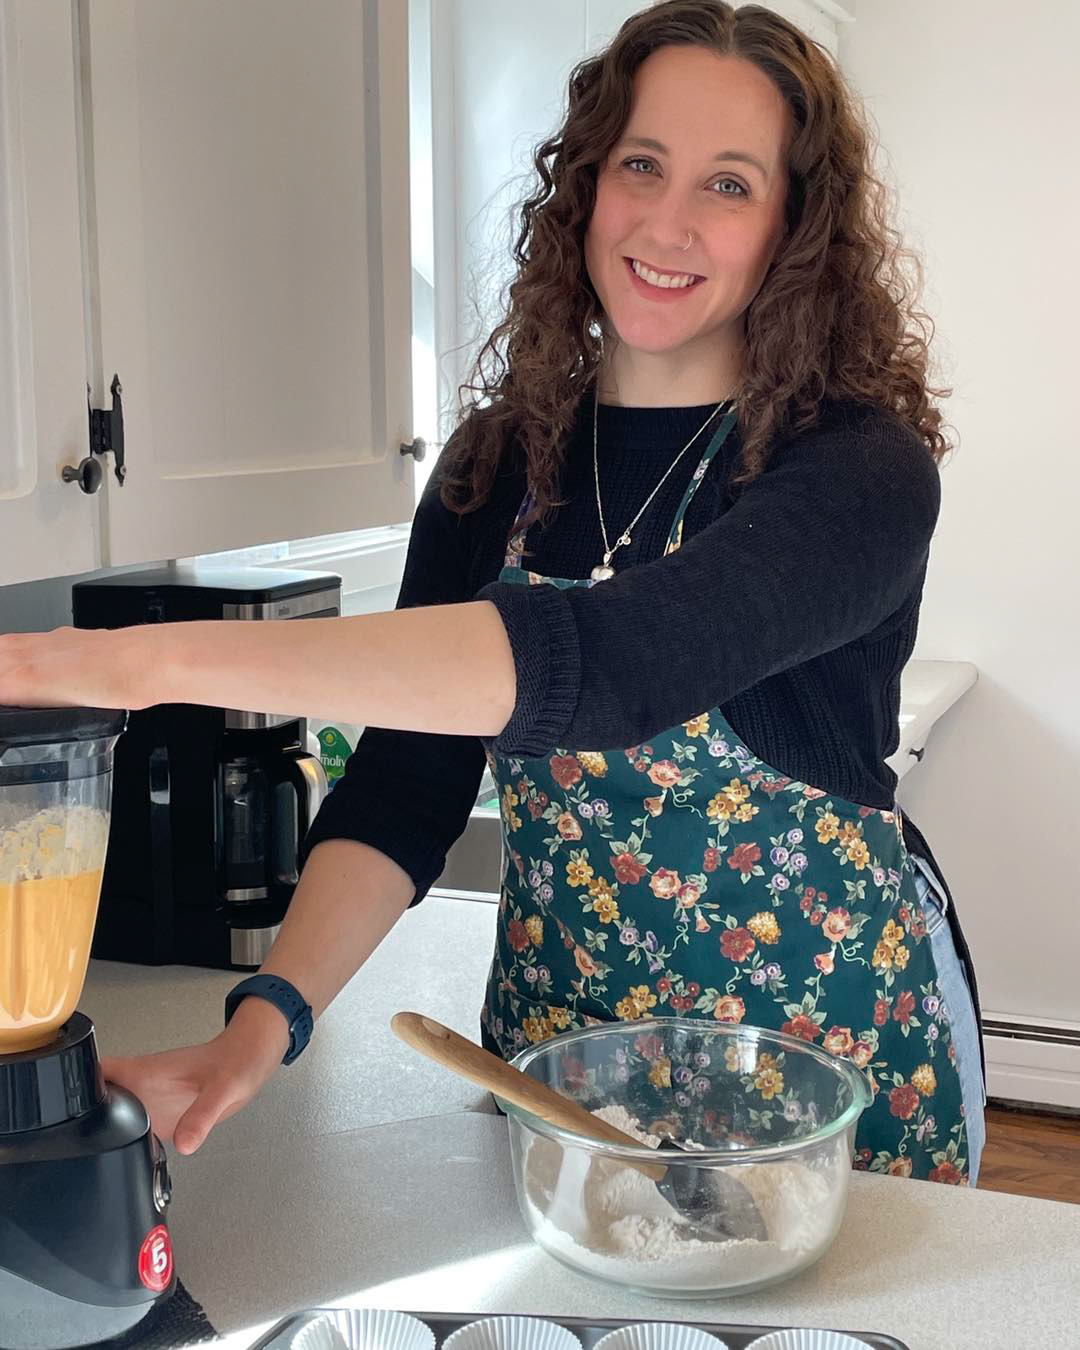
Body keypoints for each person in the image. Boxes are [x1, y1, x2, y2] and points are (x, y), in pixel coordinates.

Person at [0, 0, 986, 1183]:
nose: (667, 221)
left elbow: (618, 664)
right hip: (555, 1074)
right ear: (585, 186)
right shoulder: (494, 465)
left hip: (823, 1084)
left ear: (793, 226)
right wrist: (259, 1030)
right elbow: (407, 788)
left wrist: (123, 664)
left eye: (729, 184)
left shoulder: (858, 467)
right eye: (641, 165)